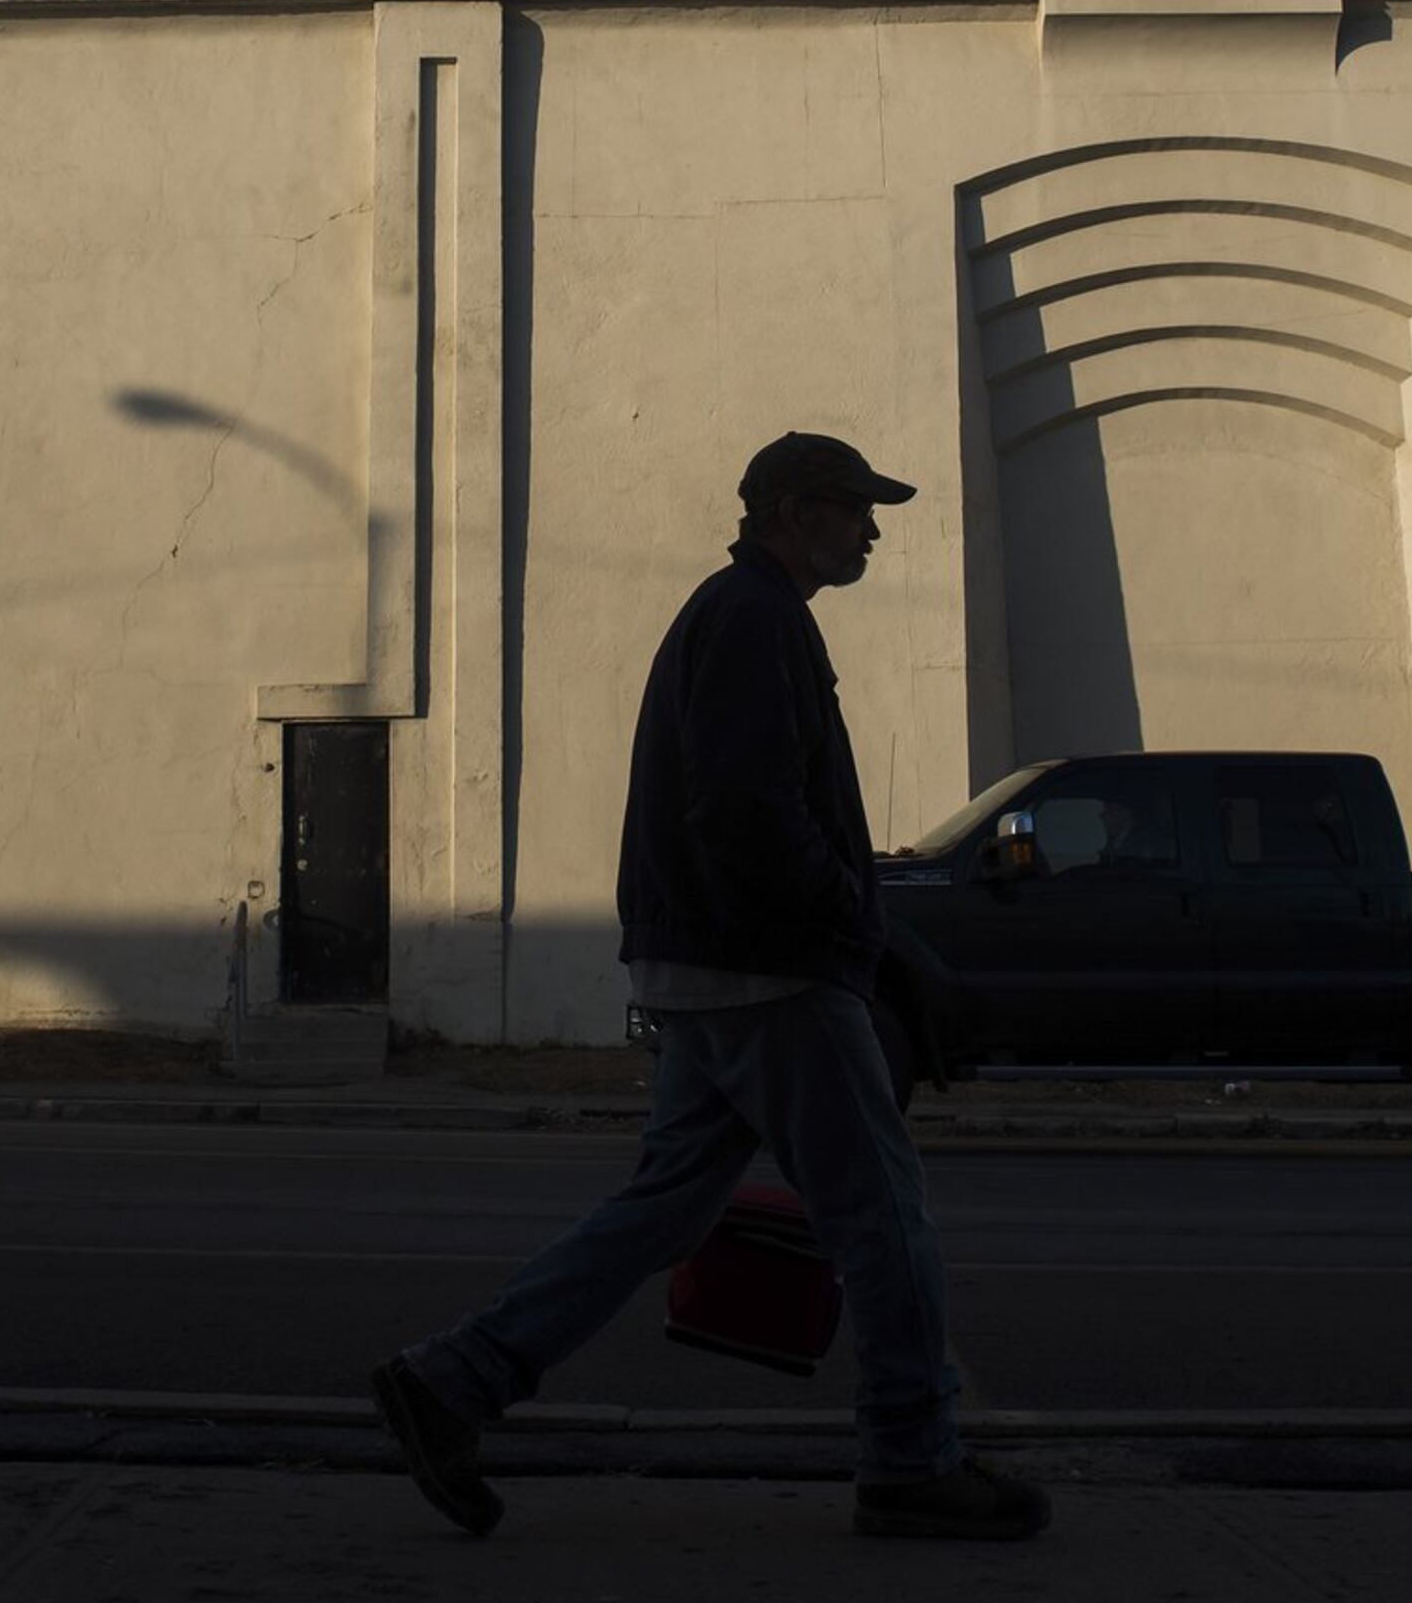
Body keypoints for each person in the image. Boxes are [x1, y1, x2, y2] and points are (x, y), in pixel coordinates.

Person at [371, 431, 1049, 1543]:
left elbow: (748, 808)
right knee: (884, 1218)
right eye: (853, 508)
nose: (871, 531)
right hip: (767, 975)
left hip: (717, 968)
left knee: (665, 1210)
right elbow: (747, 809)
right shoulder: (753, 618)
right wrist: (840, 914)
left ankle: (455, 1380)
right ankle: (913, 1460)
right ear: (790, 512)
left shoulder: (744, 614)